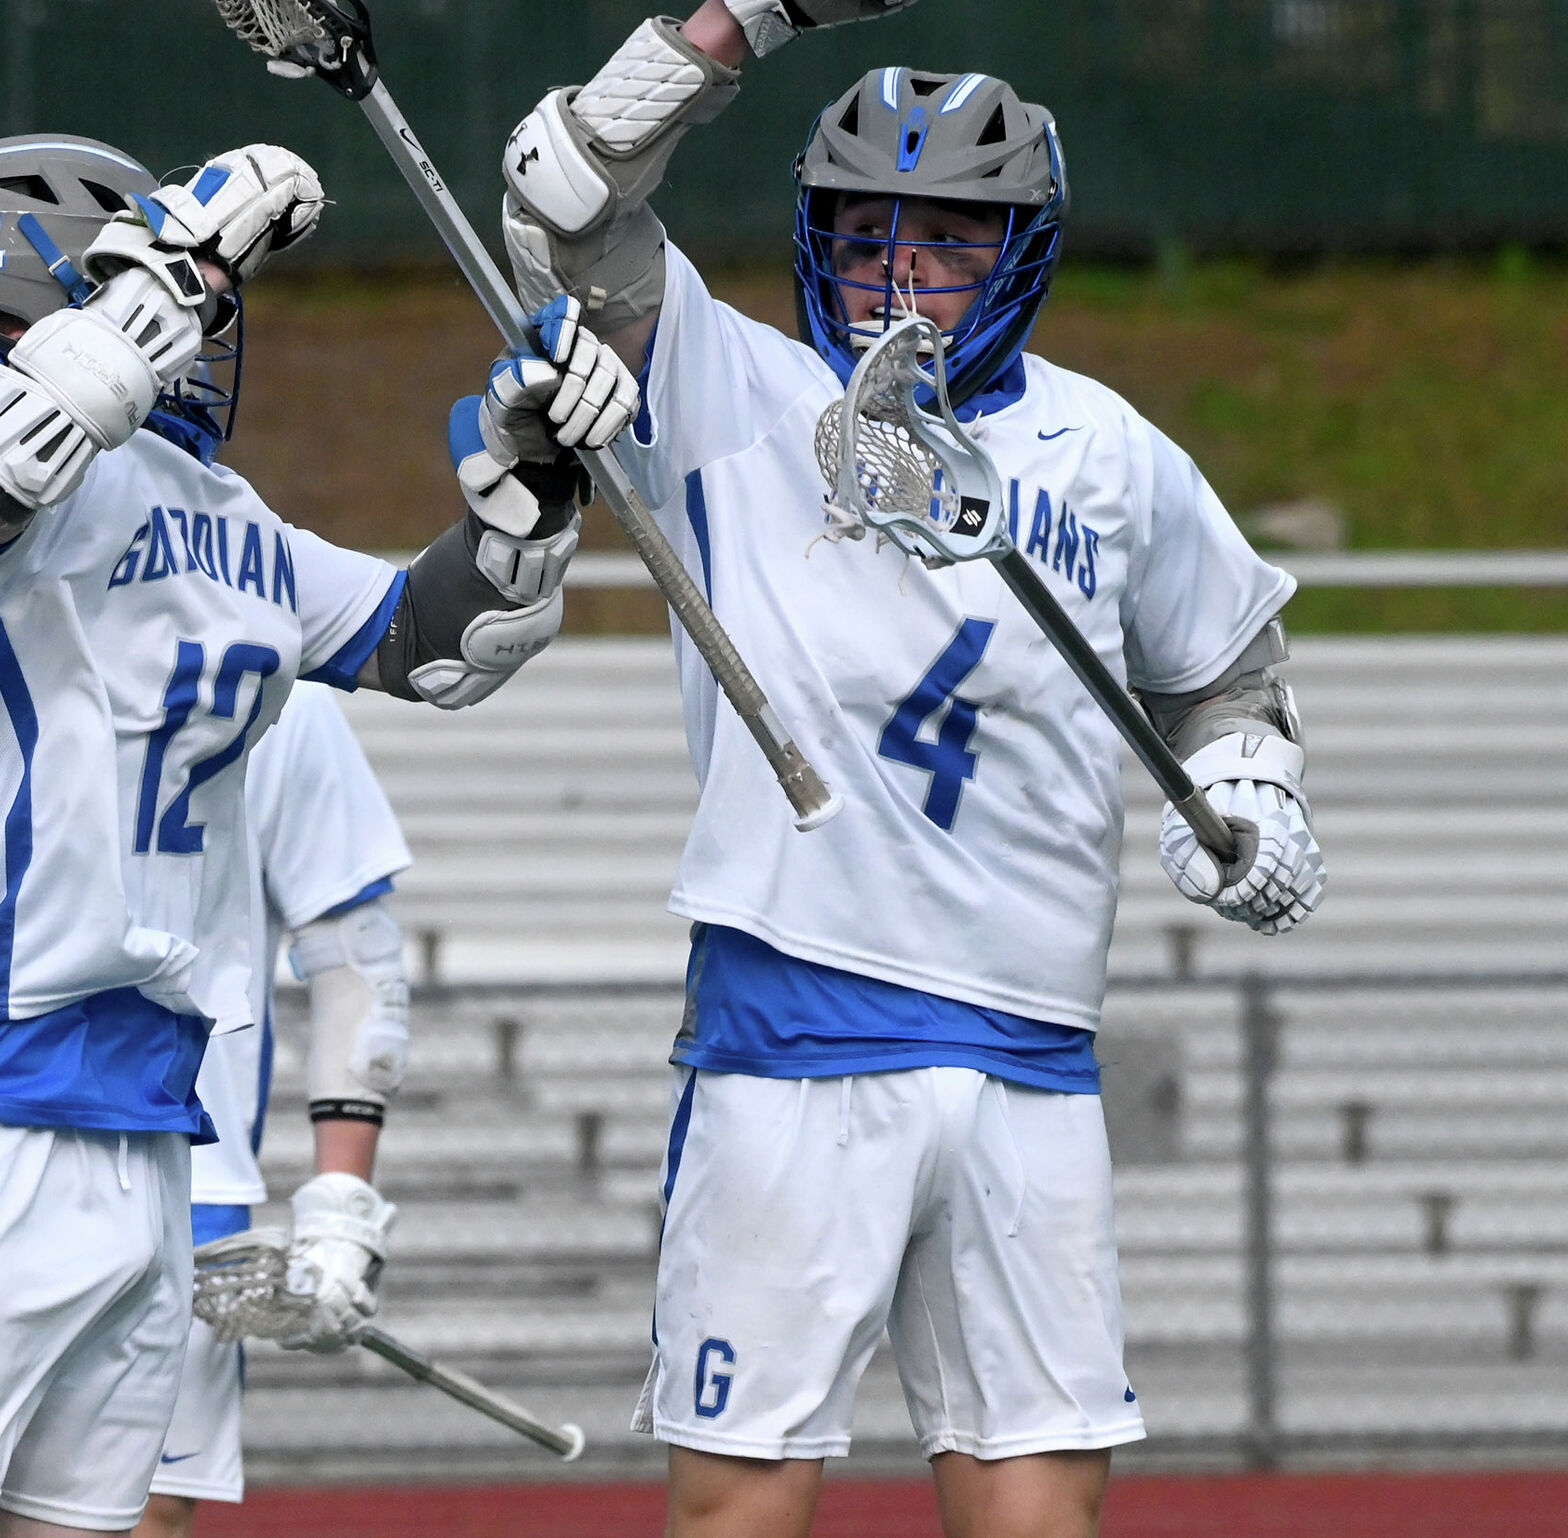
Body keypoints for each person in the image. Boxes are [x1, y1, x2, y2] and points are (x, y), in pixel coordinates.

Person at [495, 5, 1327, 1536]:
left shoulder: (1111, 451)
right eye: (864, 231)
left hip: (1032, 1045)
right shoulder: (722, 389)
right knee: (739, 1510)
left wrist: (1255, 787)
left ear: (1021, 250)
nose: (898, 271)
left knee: (1039, 1518)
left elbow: (1223, 668)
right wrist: (737, 21)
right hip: (797, 1021)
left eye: (945, 237)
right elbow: (563, 192)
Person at [0, 131, 636, 1537]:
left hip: (144, 1133)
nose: (203, 328)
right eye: (145, 281)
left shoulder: (225, 515)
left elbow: (441, 642)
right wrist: (165, 274)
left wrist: (529, 494)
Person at [0, 681, 412, 1537]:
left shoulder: (272, 671)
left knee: (137, 1515)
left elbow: (355, 949)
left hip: (181, 1168)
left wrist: (340, 1204)